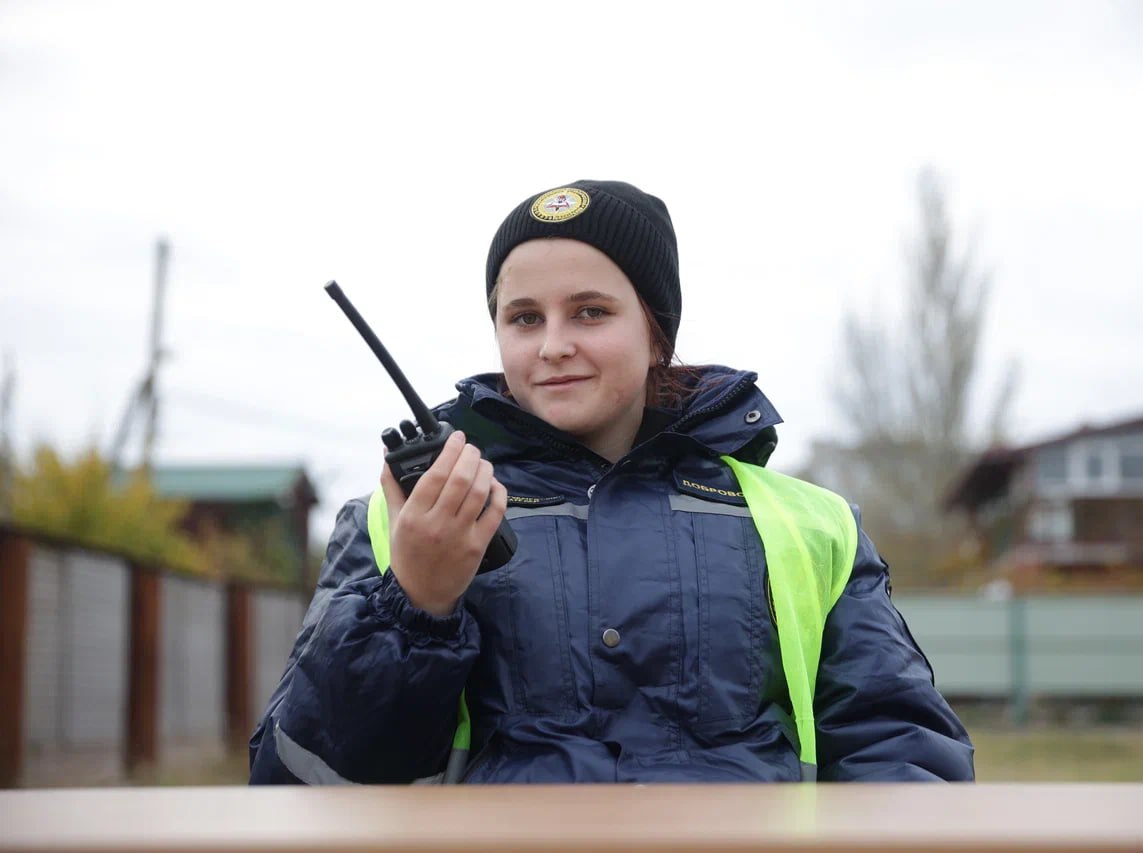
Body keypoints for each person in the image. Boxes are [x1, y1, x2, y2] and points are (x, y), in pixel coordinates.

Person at [248, 180, 975, 784]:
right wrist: (412, 604)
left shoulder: (813, 525)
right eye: (524, 317)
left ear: (656, 331)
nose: (554, 344)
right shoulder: (395, 521)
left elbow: (902, 754)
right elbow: (299, 776)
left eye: (590, 312)